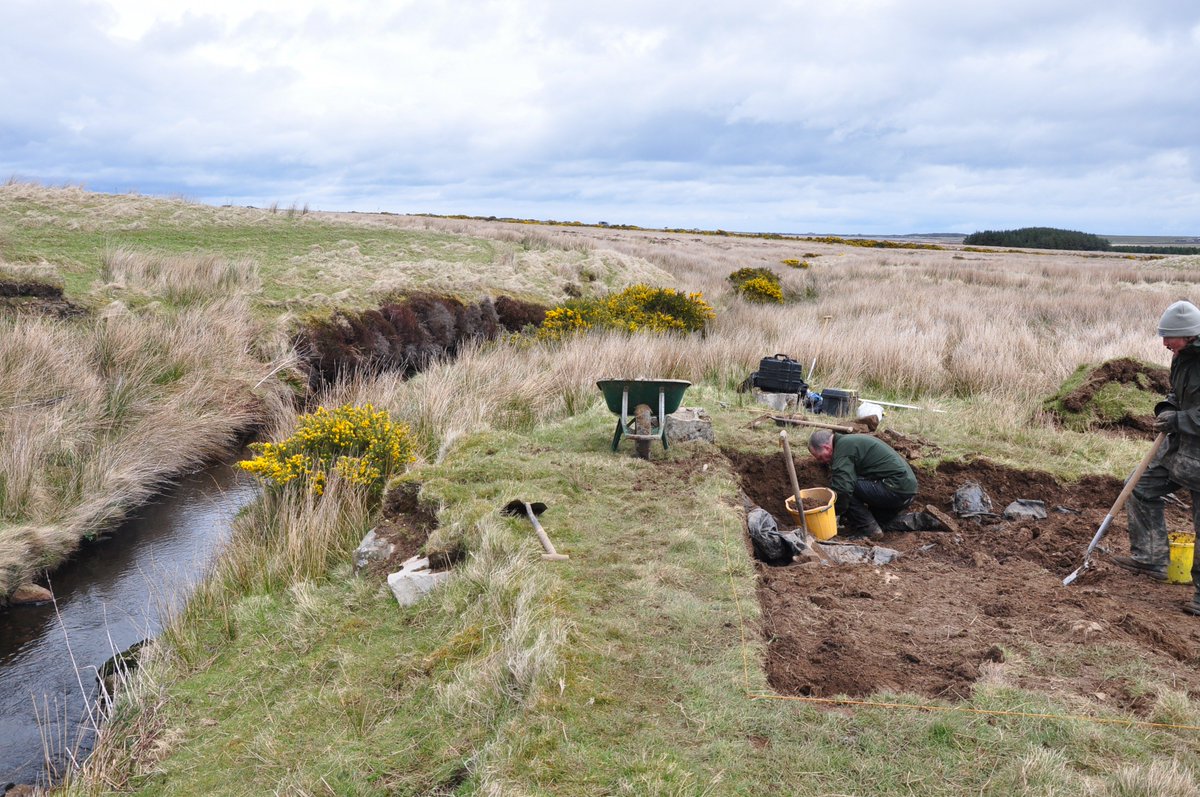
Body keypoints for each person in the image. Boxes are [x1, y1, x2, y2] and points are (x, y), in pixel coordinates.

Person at [1111, 299, 1200, 616]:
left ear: (1189, 334)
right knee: (1139, 487)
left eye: (1169, 338)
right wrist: (1166, 409)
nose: (1164, 344)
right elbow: (1177, 395)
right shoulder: (1182, 358)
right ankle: (1151, 559)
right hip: (1178, 448)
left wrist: (1180, 419)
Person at [806, 429, 948, 537]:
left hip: (895, 489)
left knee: (847, 487)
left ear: (826, 447)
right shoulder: (849, 442)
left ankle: (869, 530)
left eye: (820, 457)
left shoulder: (843, 449)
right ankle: (924, 520)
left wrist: (833, 514)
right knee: (879, 522)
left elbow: (843, 489)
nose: (821, 461)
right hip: (905, 491)